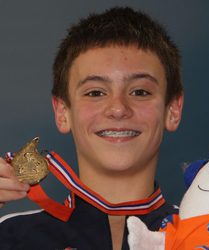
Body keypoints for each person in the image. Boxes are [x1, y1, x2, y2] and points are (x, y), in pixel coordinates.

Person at [0, 6, 183, 250]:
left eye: (140, 92)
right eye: (95, 93)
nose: (118, 109)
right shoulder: (11, 236)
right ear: (62, 112)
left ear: (173, 110)